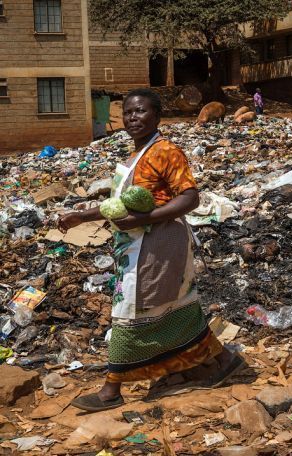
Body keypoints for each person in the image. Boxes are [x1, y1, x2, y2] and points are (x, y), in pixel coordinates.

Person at [59, 88, 243, 412]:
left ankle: (111, 389)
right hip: (135, 244)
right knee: (172, 307)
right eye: (128, 112)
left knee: (130, 309)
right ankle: (224, 360)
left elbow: (189, 198)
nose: (133, 118)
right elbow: (118, 207)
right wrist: (81, 216)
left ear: (157, 115)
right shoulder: (134, 158)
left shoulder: (165, 151)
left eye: (141, 111)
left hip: (159, 242)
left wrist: (145, 217)